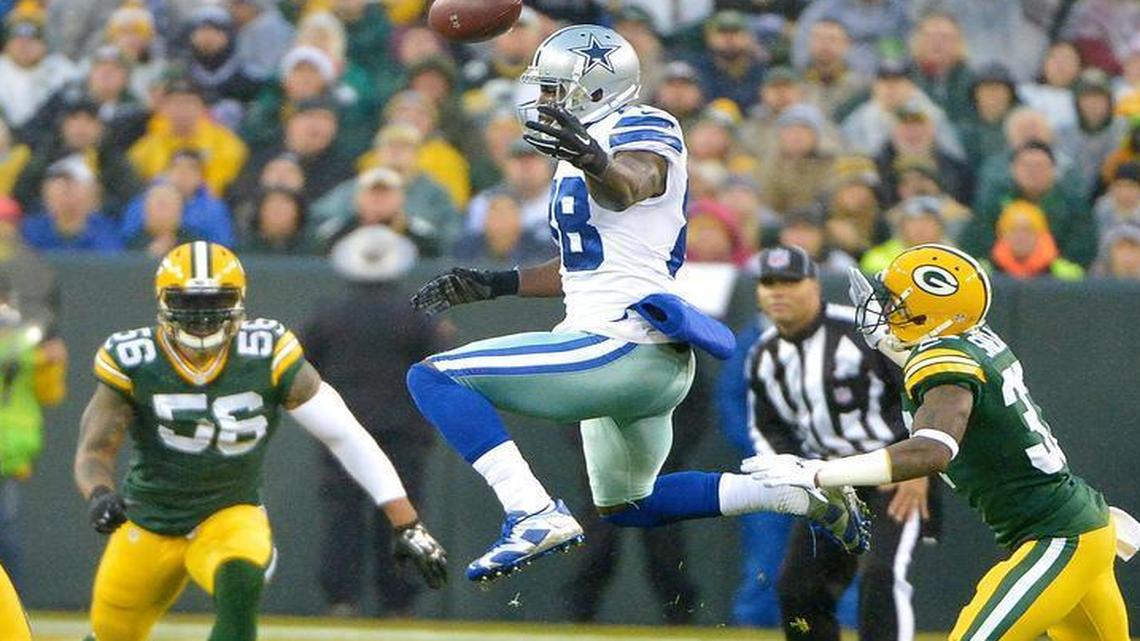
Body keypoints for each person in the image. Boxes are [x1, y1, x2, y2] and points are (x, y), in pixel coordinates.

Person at [406, 25, 868, 584]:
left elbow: (633, 182)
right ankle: (803, 495)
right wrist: (497, 283)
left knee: (435, 378)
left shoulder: (643, 124)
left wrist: (592, 156)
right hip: (631, 351)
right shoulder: (575, 150)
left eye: (555, 87)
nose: (545, 100)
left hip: (621, 342)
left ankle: (531, 510)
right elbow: (586, 264)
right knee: (631, 504)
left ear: (597, 86)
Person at [747, 243, 1136, 640]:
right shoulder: (969, 341)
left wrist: (817, 472)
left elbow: (933, 450)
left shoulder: (946, 361)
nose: (887, 310)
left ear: (930, 310)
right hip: (1081, 524)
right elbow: (938, 370)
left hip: (1060, 537)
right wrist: (885, 341)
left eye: (898, 303)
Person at [74, 242, 447, 641]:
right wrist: (99, 493)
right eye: (189, 303)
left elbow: (345, 434)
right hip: (149, 519)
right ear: (164, 301)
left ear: (239, 300)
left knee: (243, 572)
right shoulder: (135, 357)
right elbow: (95, 448)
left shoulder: (265, 351)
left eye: (216, 302)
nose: (202, 317)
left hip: (228, 512)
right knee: (110, 633)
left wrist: (406, 521)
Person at [748, 246, 926, 641]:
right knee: (797, 589)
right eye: (768, 283)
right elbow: (770, 428)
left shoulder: (862, 333)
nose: (778, 292)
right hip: (827, 482)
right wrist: (795, 475)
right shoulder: (764, 354)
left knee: (881, 576)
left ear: (814, 284)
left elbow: (917, 388)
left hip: (891, 473)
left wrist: (919, 463)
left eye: (790, 282)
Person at [304, 225, 440, 617]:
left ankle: (341, 599)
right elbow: (439, 368)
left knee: (342, 517)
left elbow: (302, 369)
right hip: (403, 433)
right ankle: (398, 602)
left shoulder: (327, 315)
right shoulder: (417, 318)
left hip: (342, 432)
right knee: (402, 517)